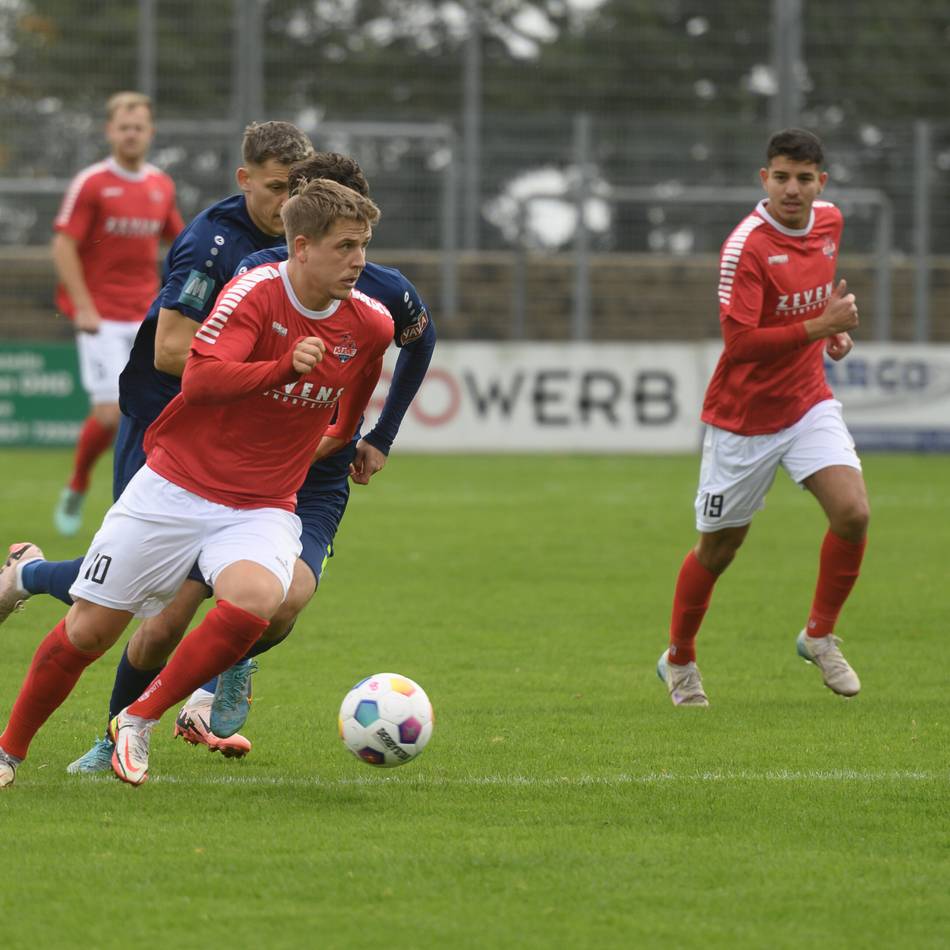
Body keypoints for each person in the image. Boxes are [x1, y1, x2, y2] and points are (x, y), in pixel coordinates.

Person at [0, 152, 436, 772]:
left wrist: (355, 438)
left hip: (266, 501)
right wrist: (285, 369)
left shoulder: (372, 317)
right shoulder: (255, 282)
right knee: (100, 629)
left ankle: (140, 720)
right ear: (302, 244)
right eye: (346, 247)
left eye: (363, 245)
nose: (359, 260)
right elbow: (199, 377)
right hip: (179, 482)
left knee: (264, 600)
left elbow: (363, 388)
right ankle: (10, 746)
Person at [657, 127, 869, 707]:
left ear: (820, 183)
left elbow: (812, 303)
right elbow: (741, 342)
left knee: (852, 513)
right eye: (781, 177)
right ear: (764, 179)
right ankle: (679, 659)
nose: (792, 189)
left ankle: (819, 636)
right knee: (719, 550)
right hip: (743, 421)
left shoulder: (830, 223)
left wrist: (831, 336)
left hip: (806, 403)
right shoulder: (745, 247)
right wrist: (819, 327)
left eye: (804, 178)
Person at [51, 91, 184, 536]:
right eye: (123, 126)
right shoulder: (92, 183)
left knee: (150, 410)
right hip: (101, 315)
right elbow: (63, 243)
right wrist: (83, 304)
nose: (131, 134)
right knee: (109, 413)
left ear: (150, 132)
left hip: (146, 314)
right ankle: (77, 482)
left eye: (139, 127)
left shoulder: (159, 185)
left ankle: (138, 504)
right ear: (110, 131)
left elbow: (181, 245)